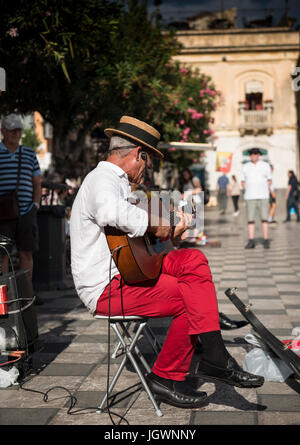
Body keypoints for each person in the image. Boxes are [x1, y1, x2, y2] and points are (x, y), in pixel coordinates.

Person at [70, 116, 263, 410]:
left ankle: (213, 352)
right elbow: (114, 213)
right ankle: (170, 374)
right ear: (138, 154)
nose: (147, 169)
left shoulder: (120, 183)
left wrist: (178, 222)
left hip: (129, 272)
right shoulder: (102, 180)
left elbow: (149, 212)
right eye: (148, 162)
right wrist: (159, 225)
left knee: (193, 259)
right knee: (189, 297)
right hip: (105, 288)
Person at [0, 114, 42, 285]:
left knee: (27, 253)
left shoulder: (29, 154)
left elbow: (37, 182)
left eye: (19, 129)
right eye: (12, 129)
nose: (16, 133)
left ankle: (26, 294)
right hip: (2, 214)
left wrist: (35, 206)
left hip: (26, 211)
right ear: (3, 130)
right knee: (2, 254)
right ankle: (3, 297)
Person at [241, 148, 272, 249]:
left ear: (259, 155)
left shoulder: (265, 165)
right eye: (251, 154)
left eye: (255, 154)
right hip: (250, 196)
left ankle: (266, 240)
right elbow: (242, 181)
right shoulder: (245, 166)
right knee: (250, 219)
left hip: (263, 196)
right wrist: (247, 189)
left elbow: (269, 180)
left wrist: (265, 190)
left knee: (264, 218)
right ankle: (251, 240)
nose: (253, 156)